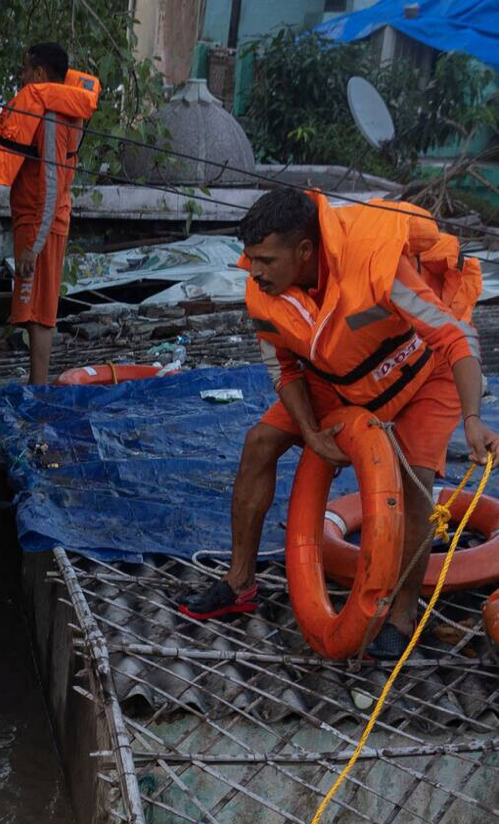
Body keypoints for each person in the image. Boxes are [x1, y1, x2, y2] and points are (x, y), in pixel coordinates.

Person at [179, 188, 499, 654]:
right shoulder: (263, 289)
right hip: (337, 380)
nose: (255, 271)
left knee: (415, 484)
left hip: (422, 378)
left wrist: (473, 419)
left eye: (267, 259)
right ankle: (240, 583)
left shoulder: (379, 262)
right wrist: (310, 432)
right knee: (258, 442)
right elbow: (284, 370)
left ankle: (404, 615)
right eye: (252, 259)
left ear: (304, 251)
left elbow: (455, 339)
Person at [0, 42, 101, 385]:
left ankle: (38, 387)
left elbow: (51, 186)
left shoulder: (51, 116)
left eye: (24, 71)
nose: (21, 78)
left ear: (39, 73)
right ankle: (37, 384)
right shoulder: (58, 108)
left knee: (40, 314)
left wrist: (32, 248)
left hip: (42, 225)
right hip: (38, 221)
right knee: (34, 310)